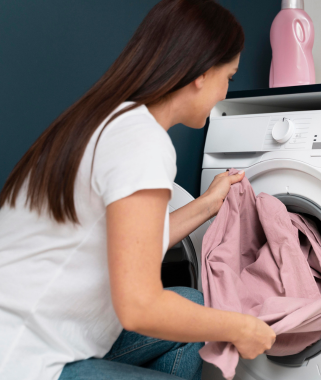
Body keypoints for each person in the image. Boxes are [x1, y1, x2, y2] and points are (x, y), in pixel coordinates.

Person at [0, 1, 276, 380]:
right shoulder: (143, 142)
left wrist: (208, 204)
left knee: (192, 304)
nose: (224, 93)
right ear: (202, 74)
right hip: (23, 357)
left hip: (36, 326)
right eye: (228, 77)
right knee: (196, 319)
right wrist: (242, 328)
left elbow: (131, 242)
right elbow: (140, 308)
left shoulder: (108, 120)